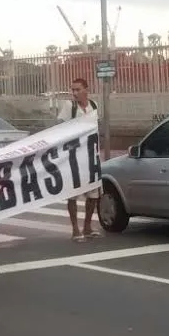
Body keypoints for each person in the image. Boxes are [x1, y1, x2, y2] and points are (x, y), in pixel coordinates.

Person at [58, 77, 101, 241]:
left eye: (78, 89)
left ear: (86, 90)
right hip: (74, 156)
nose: (74, 93)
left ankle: (88, 226)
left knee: (93, 194)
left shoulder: (94, 106)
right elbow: (60, 128)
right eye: (73, 90)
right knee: (73, 193)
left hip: (91, 156)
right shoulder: (70, 107)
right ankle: (76, 229)